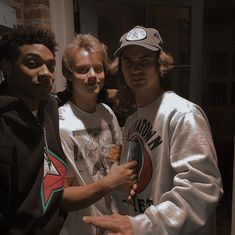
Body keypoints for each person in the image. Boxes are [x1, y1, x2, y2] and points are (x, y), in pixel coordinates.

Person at [83, 25, 223, 235]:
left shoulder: (182, 114)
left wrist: (142, 225)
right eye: (128, 62)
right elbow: (133, 181)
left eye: (145, 61)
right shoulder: (131, 122)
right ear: (120, 69)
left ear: (160, 65)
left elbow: (201, 188)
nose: (136, 69)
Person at [58, 34, 137, 235]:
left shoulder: (107, 113)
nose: (92, 75)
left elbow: (112, 159)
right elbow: (63, 197)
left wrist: (124, 184)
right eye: (82, 69)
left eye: (98, 68)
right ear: (68, 74)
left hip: (113, 221)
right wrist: (109, 183)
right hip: (80, 229)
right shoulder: (62, 124)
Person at [0, 24, 67, 234]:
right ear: (8, 68)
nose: (46, 73)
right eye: (32, 64)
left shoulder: (49, 105)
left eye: (50, 65)